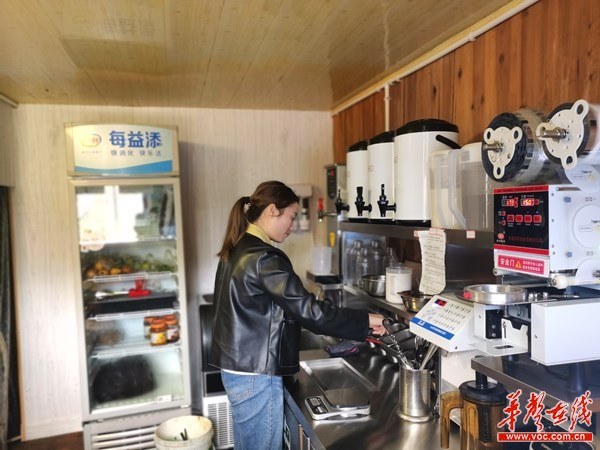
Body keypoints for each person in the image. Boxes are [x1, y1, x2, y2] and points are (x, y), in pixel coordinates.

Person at [210, 180, 385, 450]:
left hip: (239, 368)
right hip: (256, 374)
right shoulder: (264, 258)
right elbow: (310, 312)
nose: (292, 226)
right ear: (272, 210)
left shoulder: (239, 247)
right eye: (291, 217)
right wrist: (367, 320)